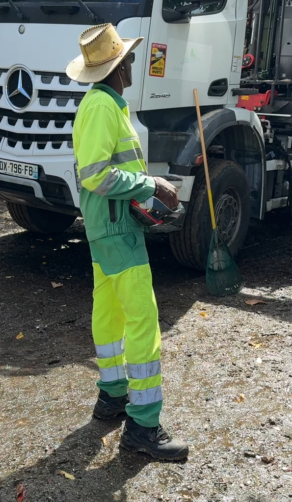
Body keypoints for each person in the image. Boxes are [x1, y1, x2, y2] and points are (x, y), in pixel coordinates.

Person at [66, 23, 189, 461]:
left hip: (107, 226)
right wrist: (149, 184)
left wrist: (141, 189)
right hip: (116, 228)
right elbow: (96, 175)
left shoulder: (101, 104)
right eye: (130, 59)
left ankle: (113, 396)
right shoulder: (102, 108)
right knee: (141, 321)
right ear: (120, 67)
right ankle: (143, 425)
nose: (134, 63)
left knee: (110, 312)